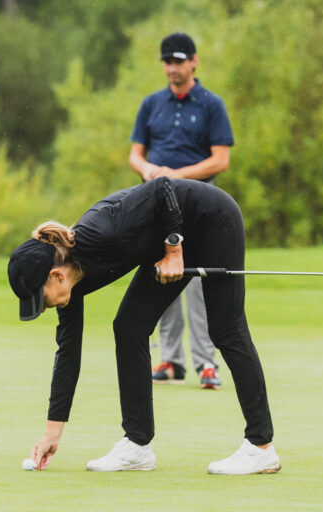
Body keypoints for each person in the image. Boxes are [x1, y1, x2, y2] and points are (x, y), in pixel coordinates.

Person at [7, 177, 280, 474]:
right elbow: (68, 353)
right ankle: (137, 446)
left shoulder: (102, 230)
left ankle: (260, 447)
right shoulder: (70, 288)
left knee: (226, 329)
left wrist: (174, 251)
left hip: (211, 218)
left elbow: (162, 187)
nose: (43, 309)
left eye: (41, 300)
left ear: (57, 276)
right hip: (171, 238)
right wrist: (52, 432)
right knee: (129, 327)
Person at [129, 32, 234, 389]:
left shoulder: (211, 104)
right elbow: (135, 154)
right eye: (167, 62)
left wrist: (177, 175)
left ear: (194, 61)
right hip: (157, 203)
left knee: (197, 283)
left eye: (178, 61)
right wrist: (149, 170)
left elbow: (220, 159)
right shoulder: (151, 104)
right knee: (163, 275)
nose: (172, 68)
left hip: (199, 204)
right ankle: (171, 360)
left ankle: (206, 362)